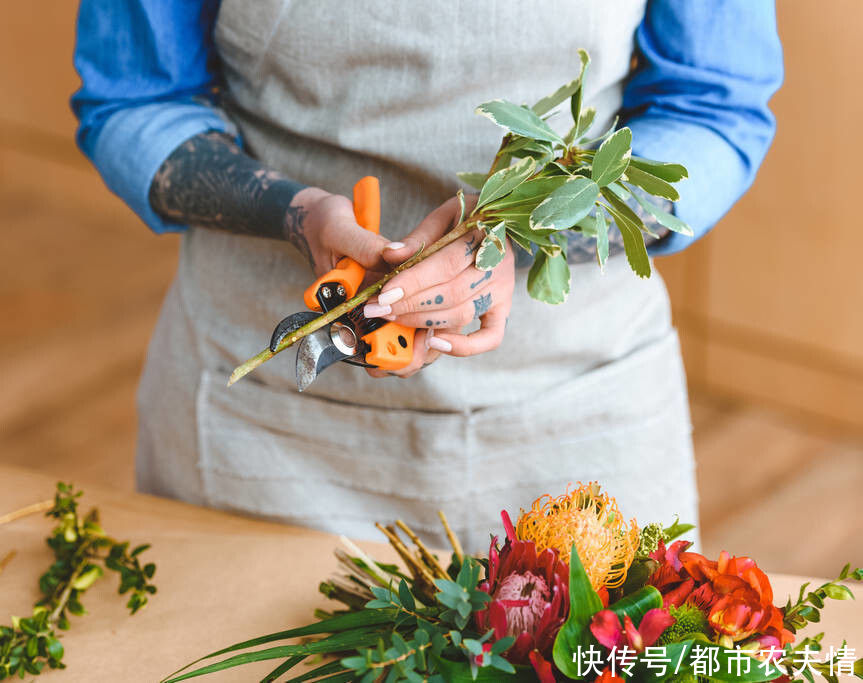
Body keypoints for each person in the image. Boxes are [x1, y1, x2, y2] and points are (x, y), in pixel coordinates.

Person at [71, 1, 782, 551]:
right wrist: (298, 216)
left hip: (573, 416)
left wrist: (525, 228)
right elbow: (135, 101)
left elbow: (711, 110)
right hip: (260, 421)